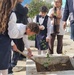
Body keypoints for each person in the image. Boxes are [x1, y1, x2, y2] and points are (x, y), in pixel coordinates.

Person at [0, 0, 18, 75]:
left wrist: (12, 44)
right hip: (3, 44)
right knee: (4, 67)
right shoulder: (11, 14)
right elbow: (12, 34)